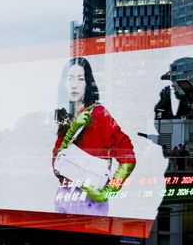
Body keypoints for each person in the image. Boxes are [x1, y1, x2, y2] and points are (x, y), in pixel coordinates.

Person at [52, 57, 136, 216]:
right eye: (70, 78)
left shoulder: (98, 114)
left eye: (80, 78)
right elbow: (56, 164)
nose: (74, 85)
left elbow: (128, 158)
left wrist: (108, 192)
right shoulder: (66, 117)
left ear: (87, 84)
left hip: (88, 203)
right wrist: (72, 128)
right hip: (64, 198)